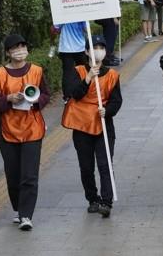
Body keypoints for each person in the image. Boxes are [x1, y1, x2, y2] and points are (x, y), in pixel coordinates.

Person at [0, 34, 51, 231]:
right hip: (8, 131)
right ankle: (18, 208)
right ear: (8, 52)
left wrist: (36, 102)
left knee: (29, 175)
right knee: (13, 174)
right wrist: (8, 98)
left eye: (23, 46)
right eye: (15, 48)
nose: (20, 50)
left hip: (32, 129)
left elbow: (46, 94)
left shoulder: (37, 71)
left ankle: (26, 215)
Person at [62, 35, 122, 219]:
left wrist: (108, 111)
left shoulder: (112, 75)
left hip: (103, 125)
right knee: (86, 166)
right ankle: (92, 199)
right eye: (94, 47)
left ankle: (106, 201)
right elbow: (74, 94)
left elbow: (117, 99)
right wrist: (88, 78)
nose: (98, 50)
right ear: (87, 51)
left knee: (105, 164)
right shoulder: (77, 71)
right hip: (81, 126)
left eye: (101, 47)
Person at [53, 22, 87, 99]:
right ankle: (84, 91)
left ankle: (67, 97)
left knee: (67, 73)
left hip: (66, 48)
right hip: (80, 47)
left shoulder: (61, 15)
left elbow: (56, 30)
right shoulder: (81, 13)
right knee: (83, 70)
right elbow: (86, 29)